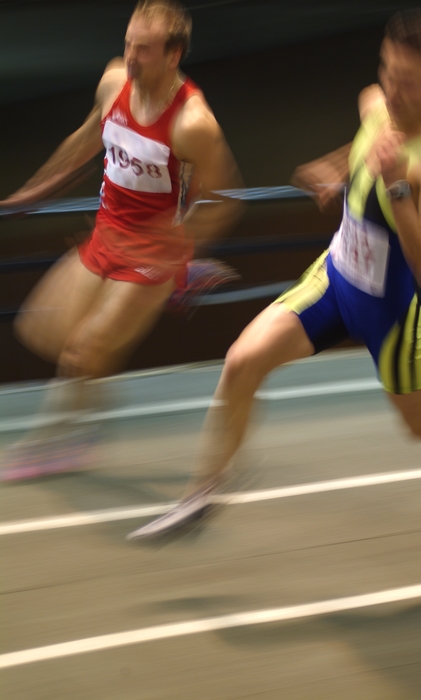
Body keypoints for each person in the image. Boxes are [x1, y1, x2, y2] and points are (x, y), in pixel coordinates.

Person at [127, 7, 421, 540]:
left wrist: (398, 186)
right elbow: (367, 141)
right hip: (335, 279)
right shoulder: (375, 103)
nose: (392, 92)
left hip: (391, 309)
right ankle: (203, 493)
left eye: (409, 84)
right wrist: (337, 168)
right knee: (241, 361)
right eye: (387, 73)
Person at [0, 0, 243, 480]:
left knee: (83, 351)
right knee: (41, 329)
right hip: (108, 231)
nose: (131, 57)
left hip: (153, 252)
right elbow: (88, 136)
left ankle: (64, 440)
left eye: (144, 50)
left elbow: (224, 200)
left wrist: (177, 242)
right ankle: (77, 425)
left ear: (173, 56)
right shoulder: (115, 82)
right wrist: (35, 189)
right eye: (128, 44)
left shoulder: (192, 123)